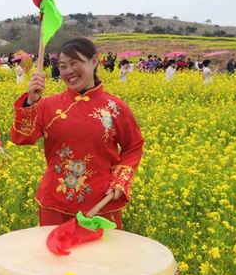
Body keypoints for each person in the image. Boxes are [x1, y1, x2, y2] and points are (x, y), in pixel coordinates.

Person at [11, 38, 143, 228]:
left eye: (75, 63)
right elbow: (21, 138)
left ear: (94, 61)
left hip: (101, 205)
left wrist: (121, 180)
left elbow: (134, 146)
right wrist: (31, 102)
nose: (68, 71)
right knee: (55, 255)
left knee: (101, 257)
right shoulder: (48, 105)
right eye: (63, 66)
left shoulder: (115, 108)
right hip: (54, 203)